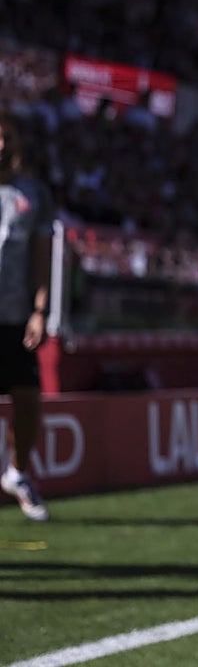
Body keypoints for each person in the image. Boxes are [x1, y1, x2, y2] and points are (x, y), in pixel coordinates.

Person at [0, 114, 52, 522]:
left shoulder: (32, 194)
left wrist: (40, 309)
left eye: (5, 138)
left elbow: (41, 257)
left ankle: (17, 473)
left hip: (17, 317)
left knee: (28, 398)